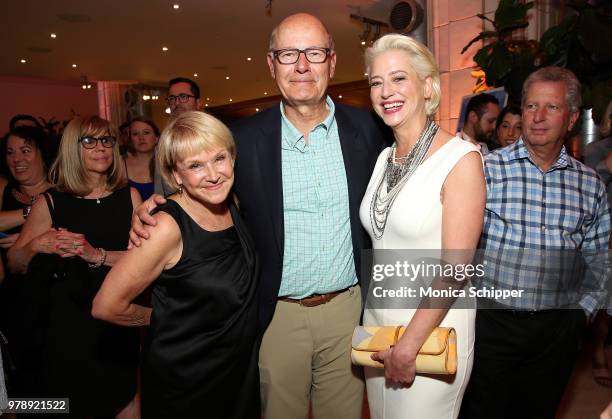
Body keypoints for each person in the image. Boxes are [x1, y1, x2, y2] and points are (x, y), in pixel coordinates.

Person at [130, 13, 389, 419]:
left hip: (348, 309)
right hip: (274, 315)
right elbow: (205, 187)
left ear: (332, 62)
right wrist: (159, 208)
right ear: (271, 64)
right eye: (288, 54)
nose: (302, 65)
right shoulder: (242, 140)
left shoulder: (370, 129)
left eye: (314, 53)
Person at [459, 67, 611, 419]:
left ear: (572, 118)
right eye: (530, 107)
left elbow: (599, 260)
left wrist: (580, 316)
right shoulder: (485, 170)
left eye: (551, 108)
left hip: (556, 330)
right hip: (491, 324)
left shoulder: (589, 186)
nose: (538, 117)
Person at [93, 111, 259, 419]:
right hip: (187, 380)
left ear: (233, 158)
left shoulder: (232, 204)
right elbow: (106, 305)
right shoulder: (164, 227)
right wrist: (165, 319)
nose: (212, 174)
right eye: (195, 165)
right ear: (175, 175)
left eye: (219, 158)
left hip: (236, 371)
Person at [359, 34, 485, 419]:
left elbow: (456, 270)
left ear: (427, 86)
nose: (385, 92)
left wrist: (408, 347)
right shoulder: (384, 158)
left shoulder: (461, 160)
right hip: (379, 329)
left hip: (431, 335)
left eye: (399, 79)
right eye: (377, 82)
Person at [7, 115, 142, 418]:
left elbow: (145, 261)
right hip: (65, 328)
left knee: (123, 397)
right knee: (71, 404)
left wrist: (97, 255)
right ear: (72, 147)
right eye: (89, 140)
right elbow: (15, 263)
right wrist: (36, 246)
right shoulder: (52, 202)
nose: (101, 147)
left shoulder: (129, 197)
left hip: (115, 320)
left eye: (106, 140)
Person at [0, 126, 55, 398]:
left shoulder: (64, 188)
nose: (16, 159)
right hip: (14, 301)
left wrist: (26, 237)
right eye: (10, 152)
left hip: (55, 300)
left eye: (25, 151)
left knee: (60, 383)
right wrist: (32, 213)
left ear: (42, 154)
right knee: (23, 387)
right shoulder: (3, 188)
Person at [584, 100, 612, 388]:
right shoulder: (596, 150)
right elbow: (589, 187)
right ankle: (599, 353)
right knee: (606, 299)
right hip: (607, 233)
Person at [124, 117, 158, 201]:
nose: (141, 138)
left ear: (156, 138)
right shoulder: (121, 167)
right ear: (130, 140)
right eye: (135, 134)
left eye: (146, 133)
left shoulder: (167, 164)